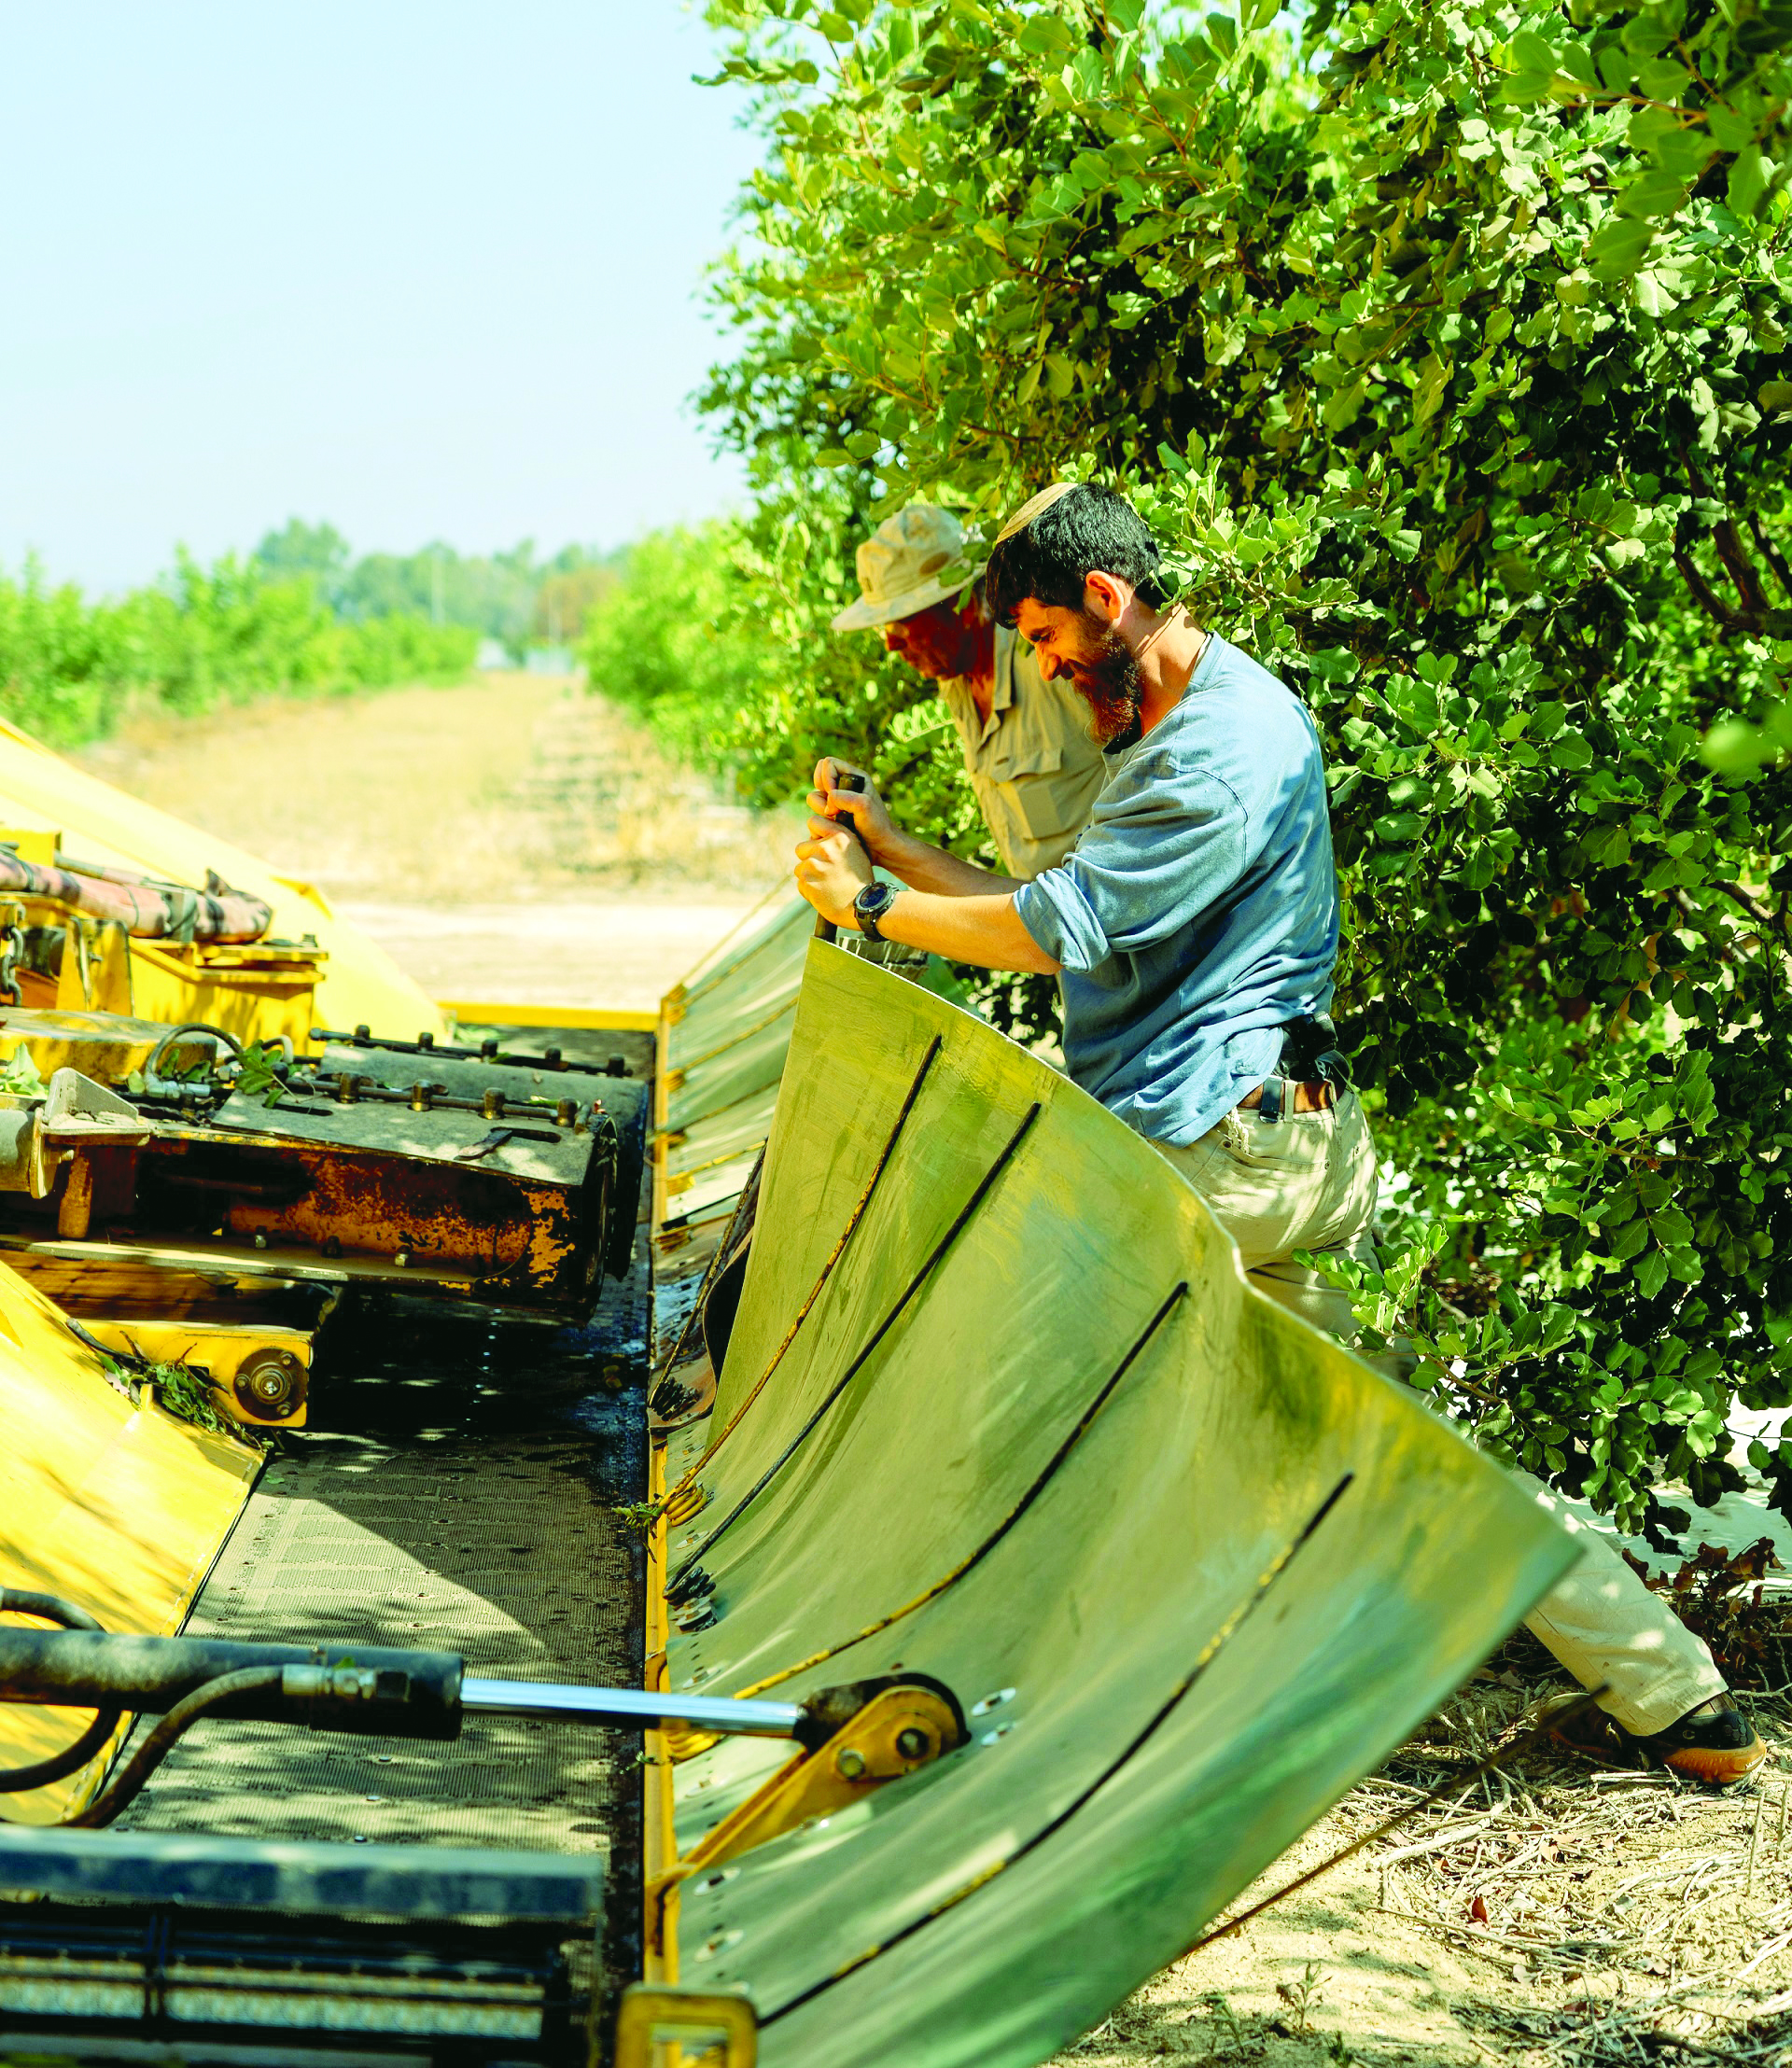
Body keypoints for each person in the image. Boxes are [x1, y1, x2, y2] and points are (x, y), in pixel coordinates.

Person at [794, 478, 1765, 1788]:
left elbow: (1052, 933)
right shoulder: (1173, 712)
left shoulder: (1219, 750)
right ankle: (1680, 1701)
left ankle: (982, 1704)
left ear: (1104, 601)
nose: (1039, 669)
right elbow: (1053, 905)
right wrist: (892, 856)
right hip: (1272, 1135)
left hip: (1218, 1139)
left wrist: (867, 912)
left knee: (1020, 1382)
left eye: (1045, 640)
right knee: (1414, 1444)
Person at [830, 502, 1107, 878]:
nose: (891, 645)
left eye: (899, 622)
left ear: (959, 605)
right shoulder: (956, 680)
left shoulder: (1049, 663)